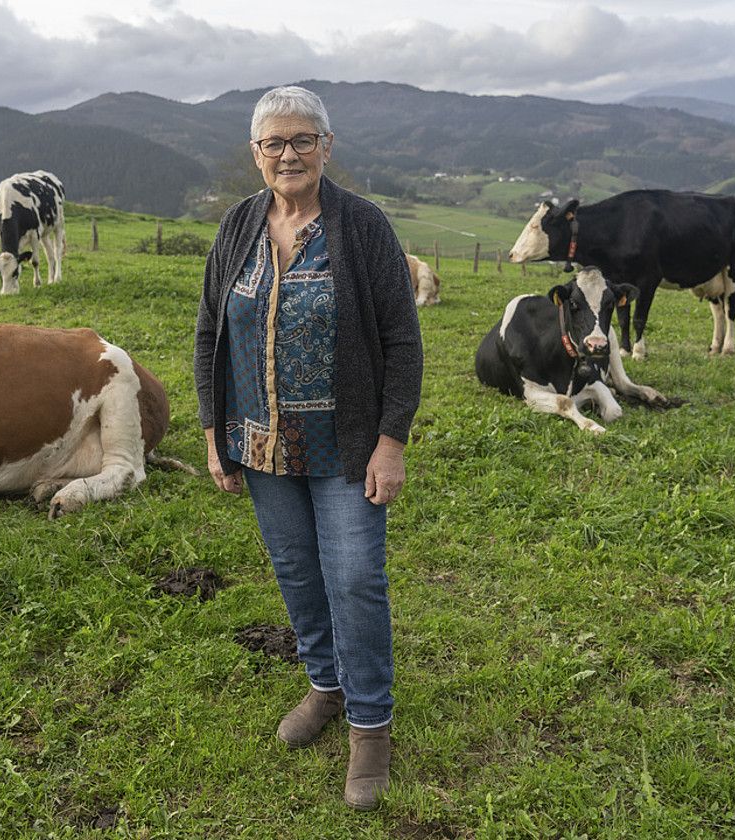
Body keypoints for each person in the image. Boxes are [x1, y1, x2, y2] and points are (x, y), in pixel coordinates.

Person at [194, 85, 423, 811]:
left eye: (302, 140)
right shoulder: (237, 227)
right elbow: (210, 333)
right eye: (273, 143)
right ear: (255, 154)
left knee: (355, 578)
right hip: (261, 448)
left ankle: (370, 727)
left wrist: (391, 442)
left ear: (327, 147)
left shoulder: (362, 228)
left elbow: (401, 342)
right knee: (296, 573)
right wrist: (212, 432)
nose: (287, 154)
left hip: (347, 447)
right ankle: (324, 686)